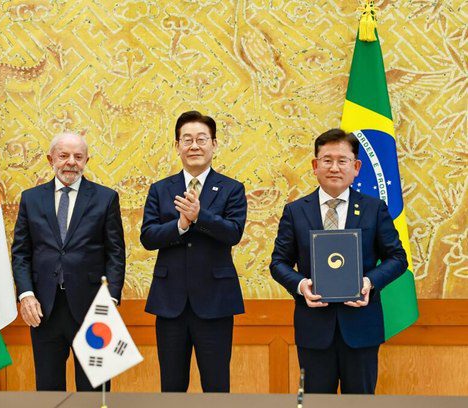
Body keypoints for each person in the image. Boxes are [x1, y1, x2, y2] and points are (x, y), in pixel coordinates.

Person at [270, 128, 407, 394]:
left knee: (360, 402)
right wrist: (301, 285)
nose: (334, 167)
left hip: (361, 327)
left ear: (356, 167)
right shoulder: (296, 211)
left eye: (342, 160)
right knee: (314, 402)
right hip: (314, 330)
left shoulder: (374, 208)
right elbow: (278, 263)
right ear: (315, 166)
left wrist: (369, 282)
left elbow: (398, 258)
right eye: (327, 160)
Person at [140, 111, 247, 392]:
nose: (194, 146)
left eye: (201, 139)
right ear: (177, 146)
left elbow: (233, 233)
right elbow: (148, 237)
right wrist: (180, 225)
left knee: (216, 386)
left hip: (216, 302)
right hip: (170, 303)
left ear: (214, 144)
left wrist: (200, 216)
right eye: (187, 140)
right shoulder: (160, 189)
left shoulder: (232, 189)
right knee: (172, 387)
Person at [11, 132, 125, 391]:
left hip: (93, 309)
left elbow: (115, 253)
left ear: (86, 161)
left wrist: (111, 299)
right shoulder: (31, 198)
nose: (71, 162)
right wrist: (26, 294)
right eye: (63, 156)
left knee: (95, 392)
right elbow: (21, 253)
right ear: (50, 159)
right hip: (44, 310)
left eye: (78, 156)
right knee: (49, 391)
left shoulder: (105, 198)